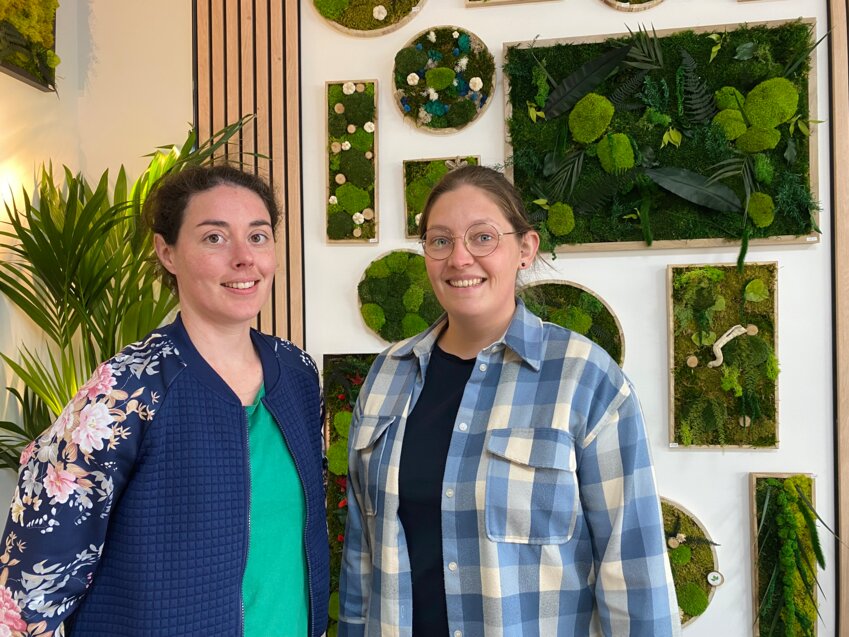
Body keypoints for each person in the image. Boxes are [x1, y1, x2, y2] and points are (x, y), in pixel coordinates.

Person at [338, 165, 680, 636]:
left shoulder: (583, 377)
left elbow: (634, 569)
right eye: (440, 241)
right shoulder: (387, 376)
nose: (459, 258)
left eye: (482, 238)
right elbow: (362, 554)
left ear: (525, 249)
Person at [0, 165, 329, 636]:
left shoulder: (296, 373)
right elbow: (33, 573)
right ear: (167, 252)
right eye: (214, 238)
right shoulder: (129, 386)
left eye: (258, 236)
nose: (244, 258)